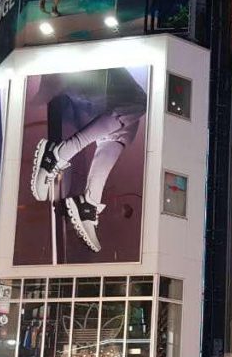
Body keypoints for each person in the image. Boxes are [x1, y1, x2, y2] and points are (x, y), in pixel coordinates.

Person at [29, 68, 148, 253]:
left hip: (95, 81)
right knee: (136, 104)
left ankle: (89, 201)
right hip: (89, 72)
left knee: (124, 130)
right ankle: (59, 154)